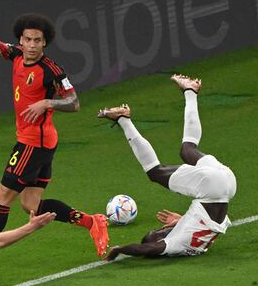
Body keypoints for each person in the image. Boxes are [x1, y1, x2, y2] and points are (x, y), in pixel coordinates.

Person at [0, 0, 108, 277]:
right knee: (31, 205)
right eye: (27, 39)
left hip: (34, 144)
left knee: (2, 196)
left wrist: (48, 102)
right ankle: (92, 222)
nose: (31, 45)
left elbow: (74, 102)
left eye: (37, 41)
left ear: (45, 43)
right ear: (21, 41)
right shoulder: (16, 56)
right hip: (41, 144)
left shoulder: (51, 71)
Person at [98, 75, 236, 261]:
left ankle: (190, 91)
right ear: (163, 237)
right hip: (211, 188)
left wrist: (182, 222)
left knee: (188, 149)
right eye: (157, 232)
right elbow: (148, 249)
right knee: (155, 172)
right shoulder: (175, 243)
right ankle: (123, 119)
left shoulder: (194, 245)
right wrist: (120, 249)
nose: (160, 229)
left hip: (228, 184)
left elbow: (212, 224)